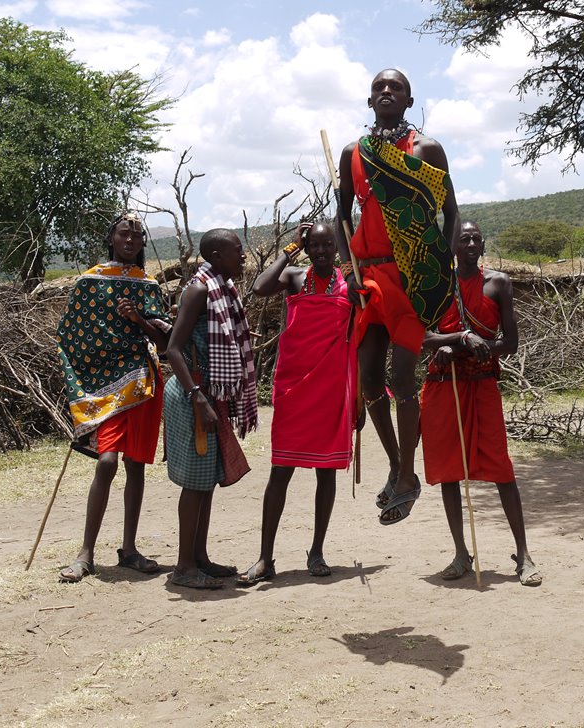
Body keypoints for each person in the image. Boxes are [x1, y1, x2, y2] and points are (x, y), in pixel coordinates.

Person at [336, 68, 461, 526]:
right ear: (369, 100)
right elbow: (340, 216)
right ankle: (397, 465)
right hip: (368, 278)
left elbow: (451, 214)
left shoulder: (426, 149)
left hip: (410, 279)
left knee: (402, 376)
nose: (386, 91)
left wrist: (438, 273)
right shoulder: (353, 153)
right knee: (370, 379)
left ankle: (408, 473)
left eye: (396, 87)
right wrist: (348, 271)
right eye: (378, 87)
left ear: (409, 100)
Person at [419, 221, 542, 586]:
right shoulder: (437, 284)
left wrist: (471, 347)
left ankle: (523, 554)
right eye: (464, 239)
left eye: (476, 239)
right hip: (445, 386)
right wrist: (459, 339)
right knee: (449, 470)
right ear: (453, 247)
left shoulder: (498, 283)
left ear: (483, 245)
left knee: (502, 469)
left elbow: (510, 343)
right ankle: (461, 552)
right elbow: (424, 336)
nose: (470, 244)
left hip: (482, 383)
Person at [237, 222, 359, 585]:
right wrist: (291, 249)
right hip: (294, 388)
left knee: (326, 472)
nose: (320, 251)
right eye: (313, 245)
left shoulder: (349, 284)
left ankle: (317, 552)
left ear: (336, 247)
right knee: (280, 471)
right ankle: (265, 558)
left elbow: (362, 334)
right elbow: (260, 287)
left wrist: (360, 397)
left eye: (327, 245)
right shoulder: (294, 276)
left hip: (331, 389)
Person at [56, 211, 171, 582]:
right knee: (106, 462)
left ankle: (129, 549)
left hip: (142, 383)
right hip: (103, 385)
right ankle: (85, 553)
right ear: (111, 239)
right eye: (123, 234)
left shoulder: (148, 285)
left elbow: (165, 342)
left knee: (135, 465)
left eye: (136, 236)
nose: (130, 241)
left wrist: (137, 319)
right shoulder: (90, 282)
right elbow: (69, 337)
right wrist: (83, 379)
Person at [164, 229, 257, 589]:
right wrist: (197, 397)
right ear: (217, 257)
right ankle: (184, 568)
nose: (243, 255)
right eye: (237, 250)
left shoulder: (222, 288)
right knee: (195, 483)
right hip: (193, 394)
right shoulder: (200, 290)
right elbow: (174, 349)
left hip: (207, 392)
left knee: (205, 482)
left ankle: (199, 557)